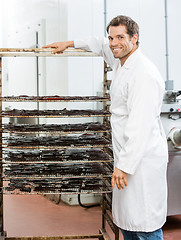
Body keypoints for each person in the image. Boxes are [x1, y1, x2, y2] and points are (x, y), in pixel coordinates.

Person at [43, 15, 168, 240]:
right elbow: (99, 43)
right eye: (112, 37)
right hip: (127, 157)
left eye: (120, 37)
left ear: (135, 38)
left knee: (144, 225)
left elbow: (140, 126)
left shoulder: (143, 73)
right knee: (131, 223)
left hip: (140, 161)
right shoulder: (122, 60)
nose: (114, 43)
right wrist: (68, 44)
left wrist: (124, 166)